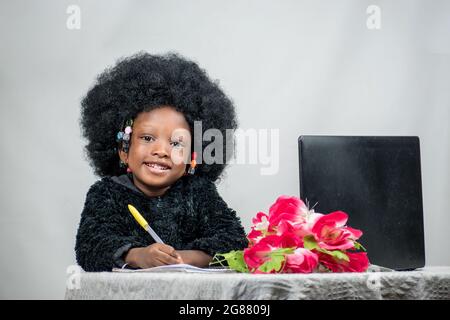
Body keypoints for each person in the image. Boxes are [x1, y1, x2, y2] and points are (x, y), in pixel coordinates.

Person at [75, 52, 248, 272]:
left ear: (192, 157)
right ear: (123, 150)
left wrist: (184, 258)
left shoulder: (200, 193)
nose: (161, 151)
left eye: (177, 143)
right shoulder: (106, 194)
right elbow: (90, 246)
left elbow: (235, 242)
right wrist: (138, 255)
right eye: (147, 138)